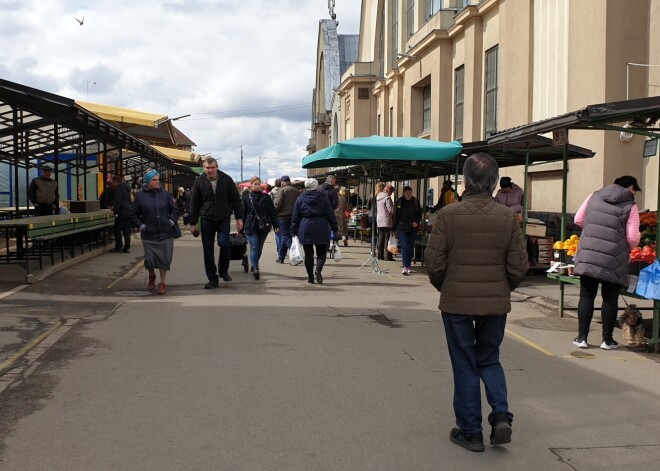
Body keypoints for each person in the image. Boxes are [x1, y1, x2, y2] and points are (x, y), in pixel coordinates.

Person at [424, 152, 528, 452]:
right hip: (495, 303)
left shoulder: (448, 215)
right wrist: (501, 288)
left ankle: (470, 431)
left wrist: (447, 286)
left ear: (466, 181)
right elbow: (518, 266)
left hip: (456, 302)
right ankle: (500, 416)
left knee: (464, 364)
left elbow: (434, 263)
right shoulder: (508, 217)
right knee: (489, 358)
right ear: (494, 183)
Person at [572, 175, 641, 350]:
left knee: (586, 295)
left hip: (589, 252)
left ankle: (581, 338)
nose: (634, 193)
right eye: (634, 190)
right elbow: (633, 237)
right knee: (610, 298)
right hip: (614, 256)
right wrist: (627, 246)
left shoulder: (594, 195)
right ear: (630, 187)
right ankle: (607, 340)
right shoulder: (630, 205)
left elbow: (578, 220)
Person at [188, 157, 244, 289]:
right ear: (204, 169)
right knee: (208, 250)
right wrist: (192, 223)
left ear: (217, 167)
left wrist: (239, 218)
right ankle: (212, 279)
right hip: (207, 218)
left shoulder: (226, 179)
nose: (210, 170)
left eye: (213, 168)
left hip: (223, 217)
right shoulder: (199, 181)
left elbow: (236, 199)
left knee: (224, 244)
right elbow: (194, 203)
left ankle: (223, 270)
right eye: (208, 168)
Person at [131, 169, 179, 295]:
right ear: (148, 181)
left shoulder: (165, 194)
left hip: (165, 232)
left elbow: (175, 210)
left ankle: (162, 282)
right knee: (150, 260)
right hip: (149, 233)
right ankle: (151, 275)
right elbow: (134, 214)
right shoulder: (140, 196)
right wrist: (141, 226)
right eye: (154, 180)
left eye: (158, 180)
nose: (157, 182)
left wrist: (171, 222)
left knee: (165, 259)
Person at [291, 178, 338, 284]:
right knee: (321, 252)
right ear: (316, 186)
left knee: (308, 254)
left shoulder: (300, 198)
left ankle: (310, 276)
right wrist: (335, 229)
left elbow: (295, 215)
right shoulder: (323, 198)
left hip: (305, 226)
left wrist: (293, 230)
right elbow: (331, 214)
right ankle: (318, 270)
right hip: (321, 226)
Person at [242, 176, 279, 280]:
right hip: (251, 225)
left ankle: (254, 264)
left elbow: (272, 212)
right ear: (251, 185)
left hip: (264, 226)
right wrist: (241, 227)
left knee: (259, 248)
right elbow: (243, 214)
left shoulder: (266, 197)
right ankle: (256, 267)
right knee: (254, 247)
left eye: (258, 184)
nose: (257, 186)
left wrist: (276, 225)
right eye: (255, 184)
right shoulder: (247, 198)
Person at [391, 186, 422, 275]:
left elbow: (419, 214)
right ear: (404, 193)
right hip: (402, 227)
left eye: (410, 192)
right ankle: (405, 267)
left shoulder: (415, 201)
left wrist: (416, 222)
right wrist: (393, 228)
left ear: (412, 193)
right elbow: (396, 215)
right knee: (404, 247)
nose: (408, 194)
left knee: (410, 247)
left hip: (413, 228)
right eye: (406, 193)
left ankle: (408, 266)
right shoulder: (400, 201)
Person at [273, 175, 299, 263]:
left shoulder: (281, 190)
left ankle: (295, 255)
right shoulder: (296, 191)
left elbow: (277, 204)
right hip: (294, 216)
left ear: (282, 182)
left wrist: (274, 214)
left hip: (283, 216)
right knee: (286, 237)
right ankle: (281, 257)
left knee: (286, 236)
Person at [109, 175, 132, 253]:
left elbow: (118, 201)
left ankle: (118, 247)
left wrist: (115, 211)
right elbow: (129, 200)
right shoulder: (127, 188)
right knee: (127, 230)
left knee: (117, 229)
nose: (112, 183)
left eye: (113, 181)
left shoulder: (119, 188)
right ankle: (127, 247)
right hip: (128, 210)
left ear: (116, 181)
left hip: (122, 211)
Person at [376, 183, 395, 261]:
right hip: (386, 220)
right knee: (387, 238)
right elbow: (391, 210)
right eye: (391, 192)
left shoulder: (378, 197)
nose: (391, 194)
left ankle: (379, 255)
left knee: (381, 238)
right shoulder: (387, 198)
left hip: (379, 220)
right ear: (388, 191)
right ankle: (387, 256)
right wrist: (395, 209)